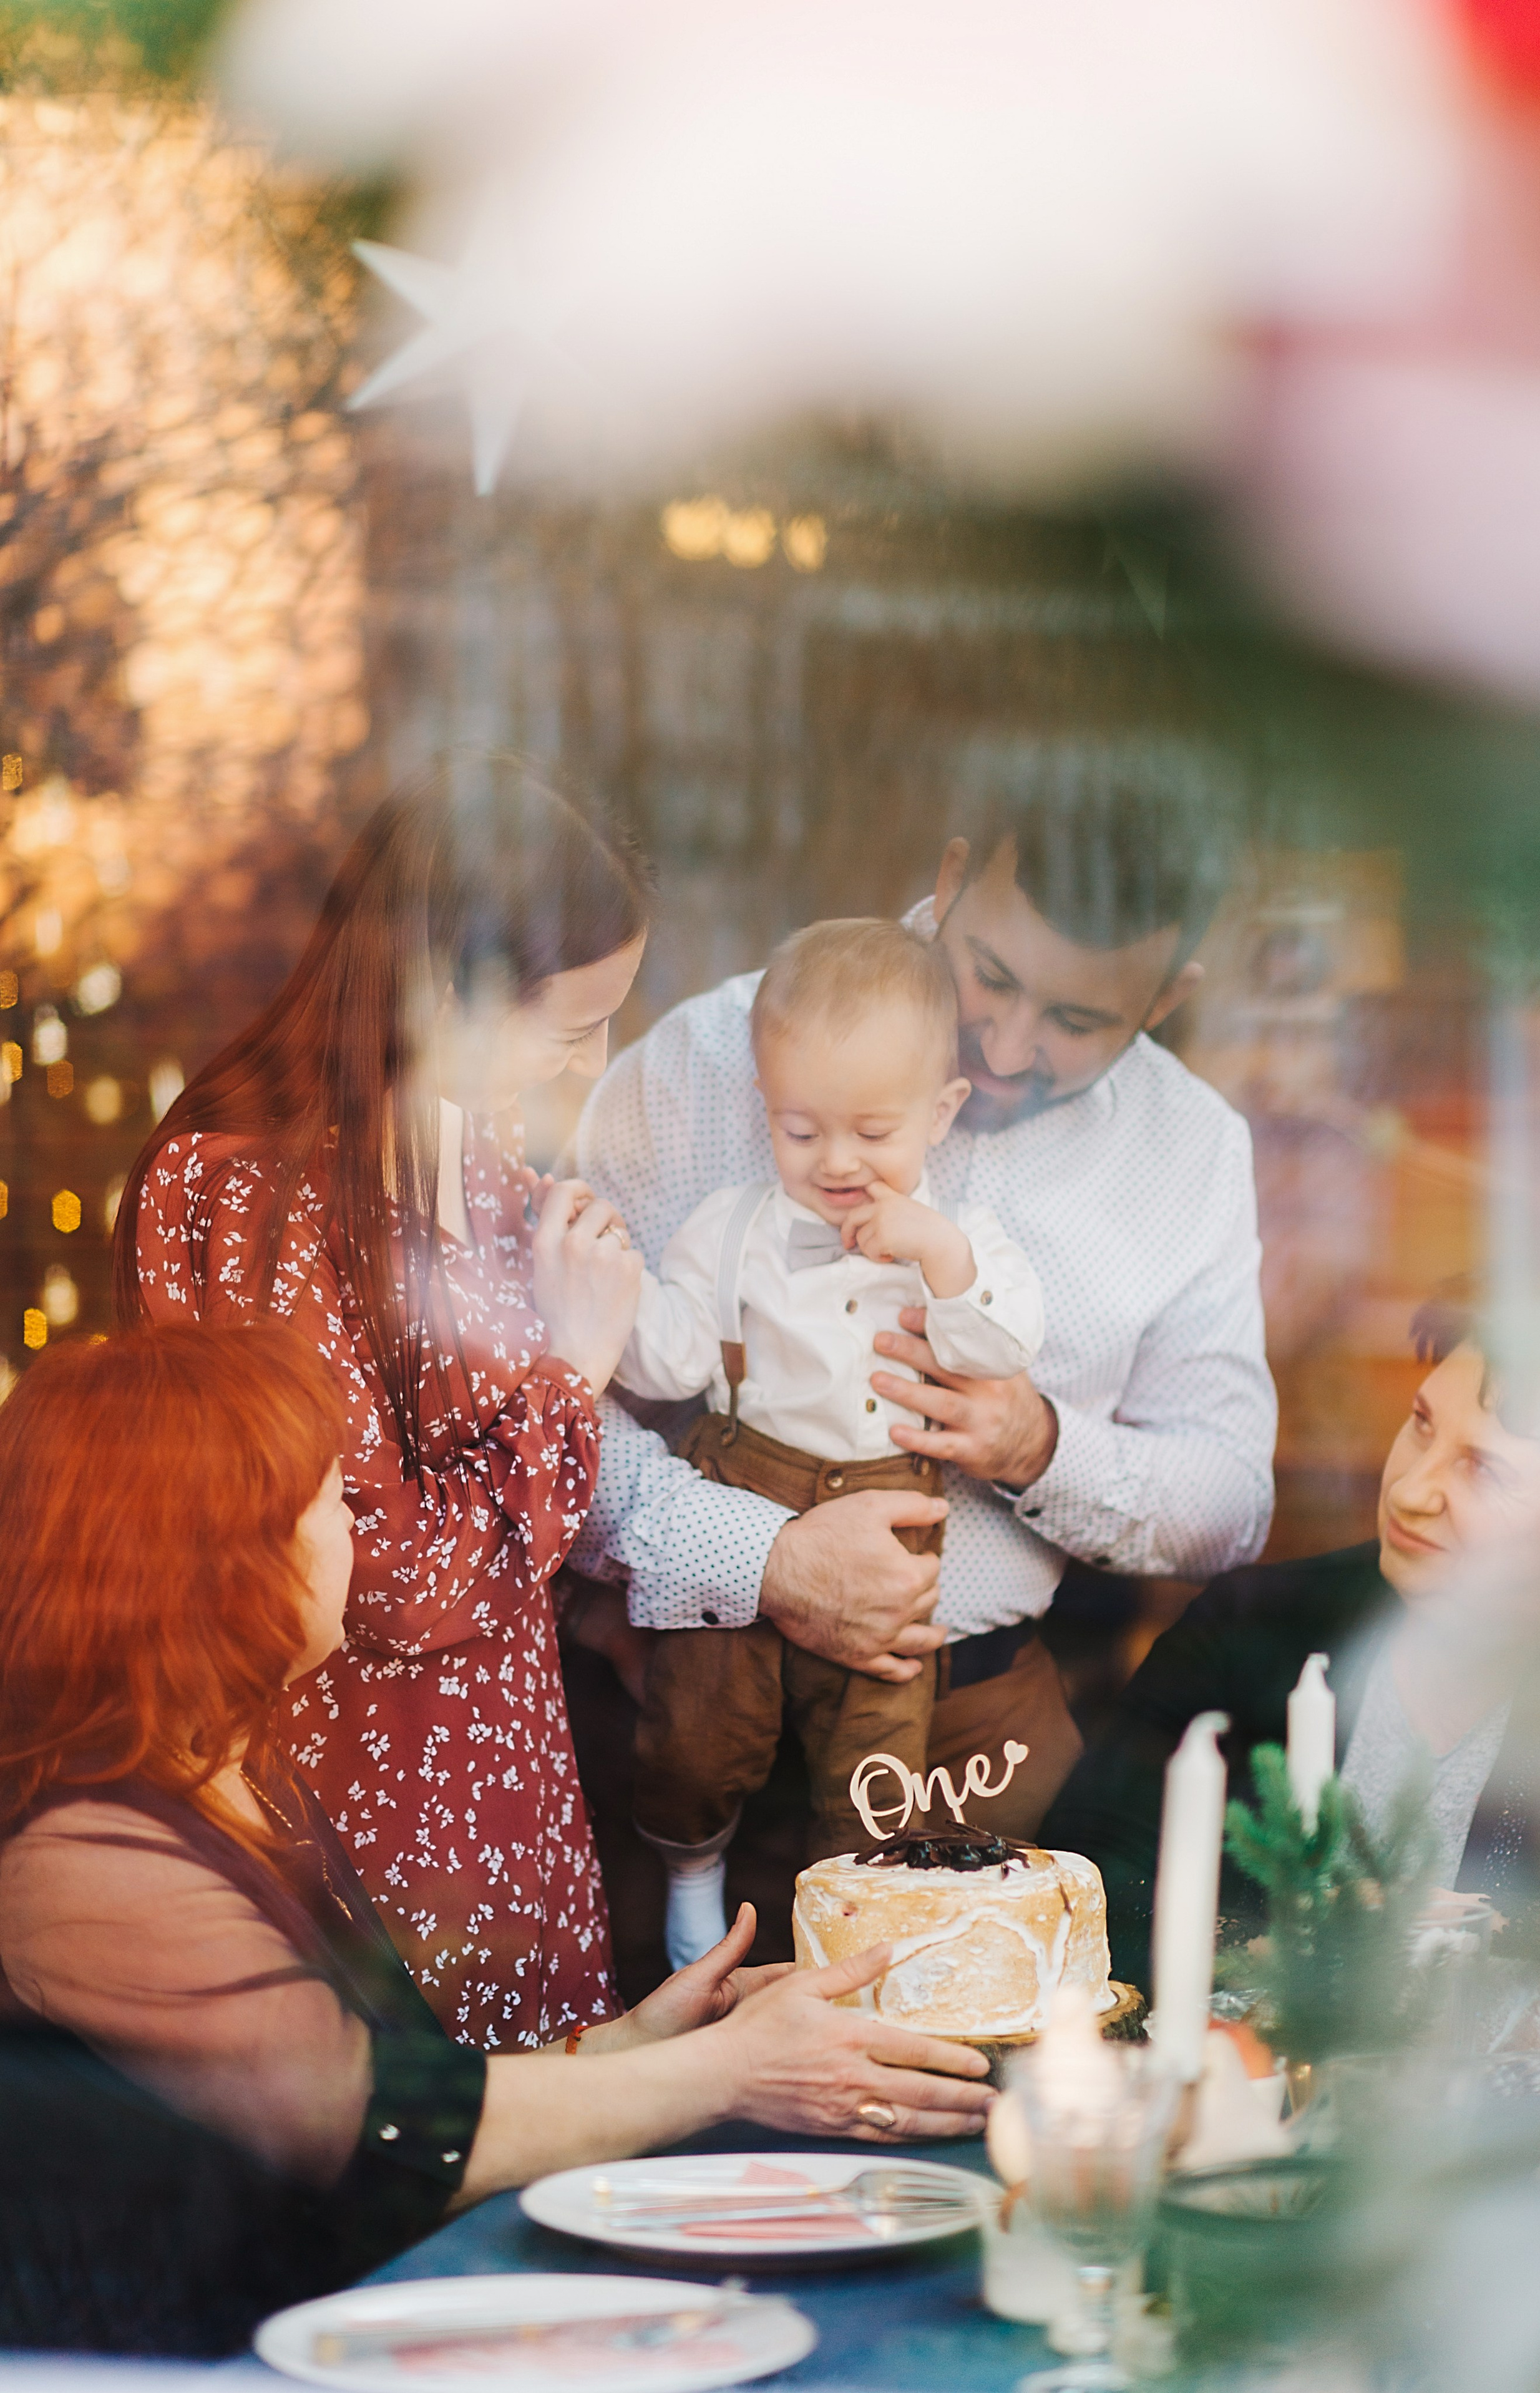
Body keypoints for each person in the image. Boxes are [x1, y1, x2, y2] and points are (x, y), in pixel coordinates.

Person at [0, 1325, 994, 2355]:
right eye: (330, 1504)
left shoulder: (231, 1774)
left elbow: (410, 2087)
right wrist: (732, 2074)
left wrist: (659, 2039)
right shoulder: (80, 1858)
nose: (354, 1532)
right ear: (224, 1562)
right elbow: (375, 2135)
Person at [567, 751, 1276, 1840]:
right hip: (682, 1702)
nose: (1002, 1045)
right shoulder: (706, 1067)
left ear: (1170, 998)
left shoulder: (1190, 1156)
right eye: (990, 973)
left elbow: (1230, 1500)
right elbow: (545, 1392)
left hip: (973, 1735)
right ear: (948, 883)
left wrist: (1042, 1447)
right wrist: (752, 1561)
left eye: (1077, 1022)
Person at [114, 766, 650, 2049]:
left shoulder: (474, 1151)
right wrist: (572, 1374)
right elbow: (389, 1580)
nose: (594, 1062)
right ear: (444, 985)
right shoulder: (249, 1188)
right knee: (431, 2192)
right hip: (365, 1813)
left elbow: (506, 1536)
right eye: (569, 1028)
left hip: (513, 1781)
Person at [613, 919, 1045, 1962]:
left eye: (871, 1132)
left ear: (942, 1114)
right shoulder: (728, 1228)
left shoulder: (968, 1241)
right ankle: (691, 1872)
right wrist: (611, 1300)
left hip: (891, 1515)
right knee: (697, 1722)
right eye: (800, 1133)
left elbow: (1002, 1343)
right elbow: (668, 1364)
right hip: (744, 1490)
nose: (838, 1162)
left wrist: (937, 1256)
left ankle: (854, 1943)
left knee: (876, 1762)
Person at [1045, 1282, 1540, 1989]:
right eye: (1421, 1424)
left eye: (1482, 1470)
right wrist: (1255, 1964)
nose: (1410, 1492)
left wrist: (1504, 1939)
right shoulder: (1252, 1625)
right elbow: (1084, 1886)